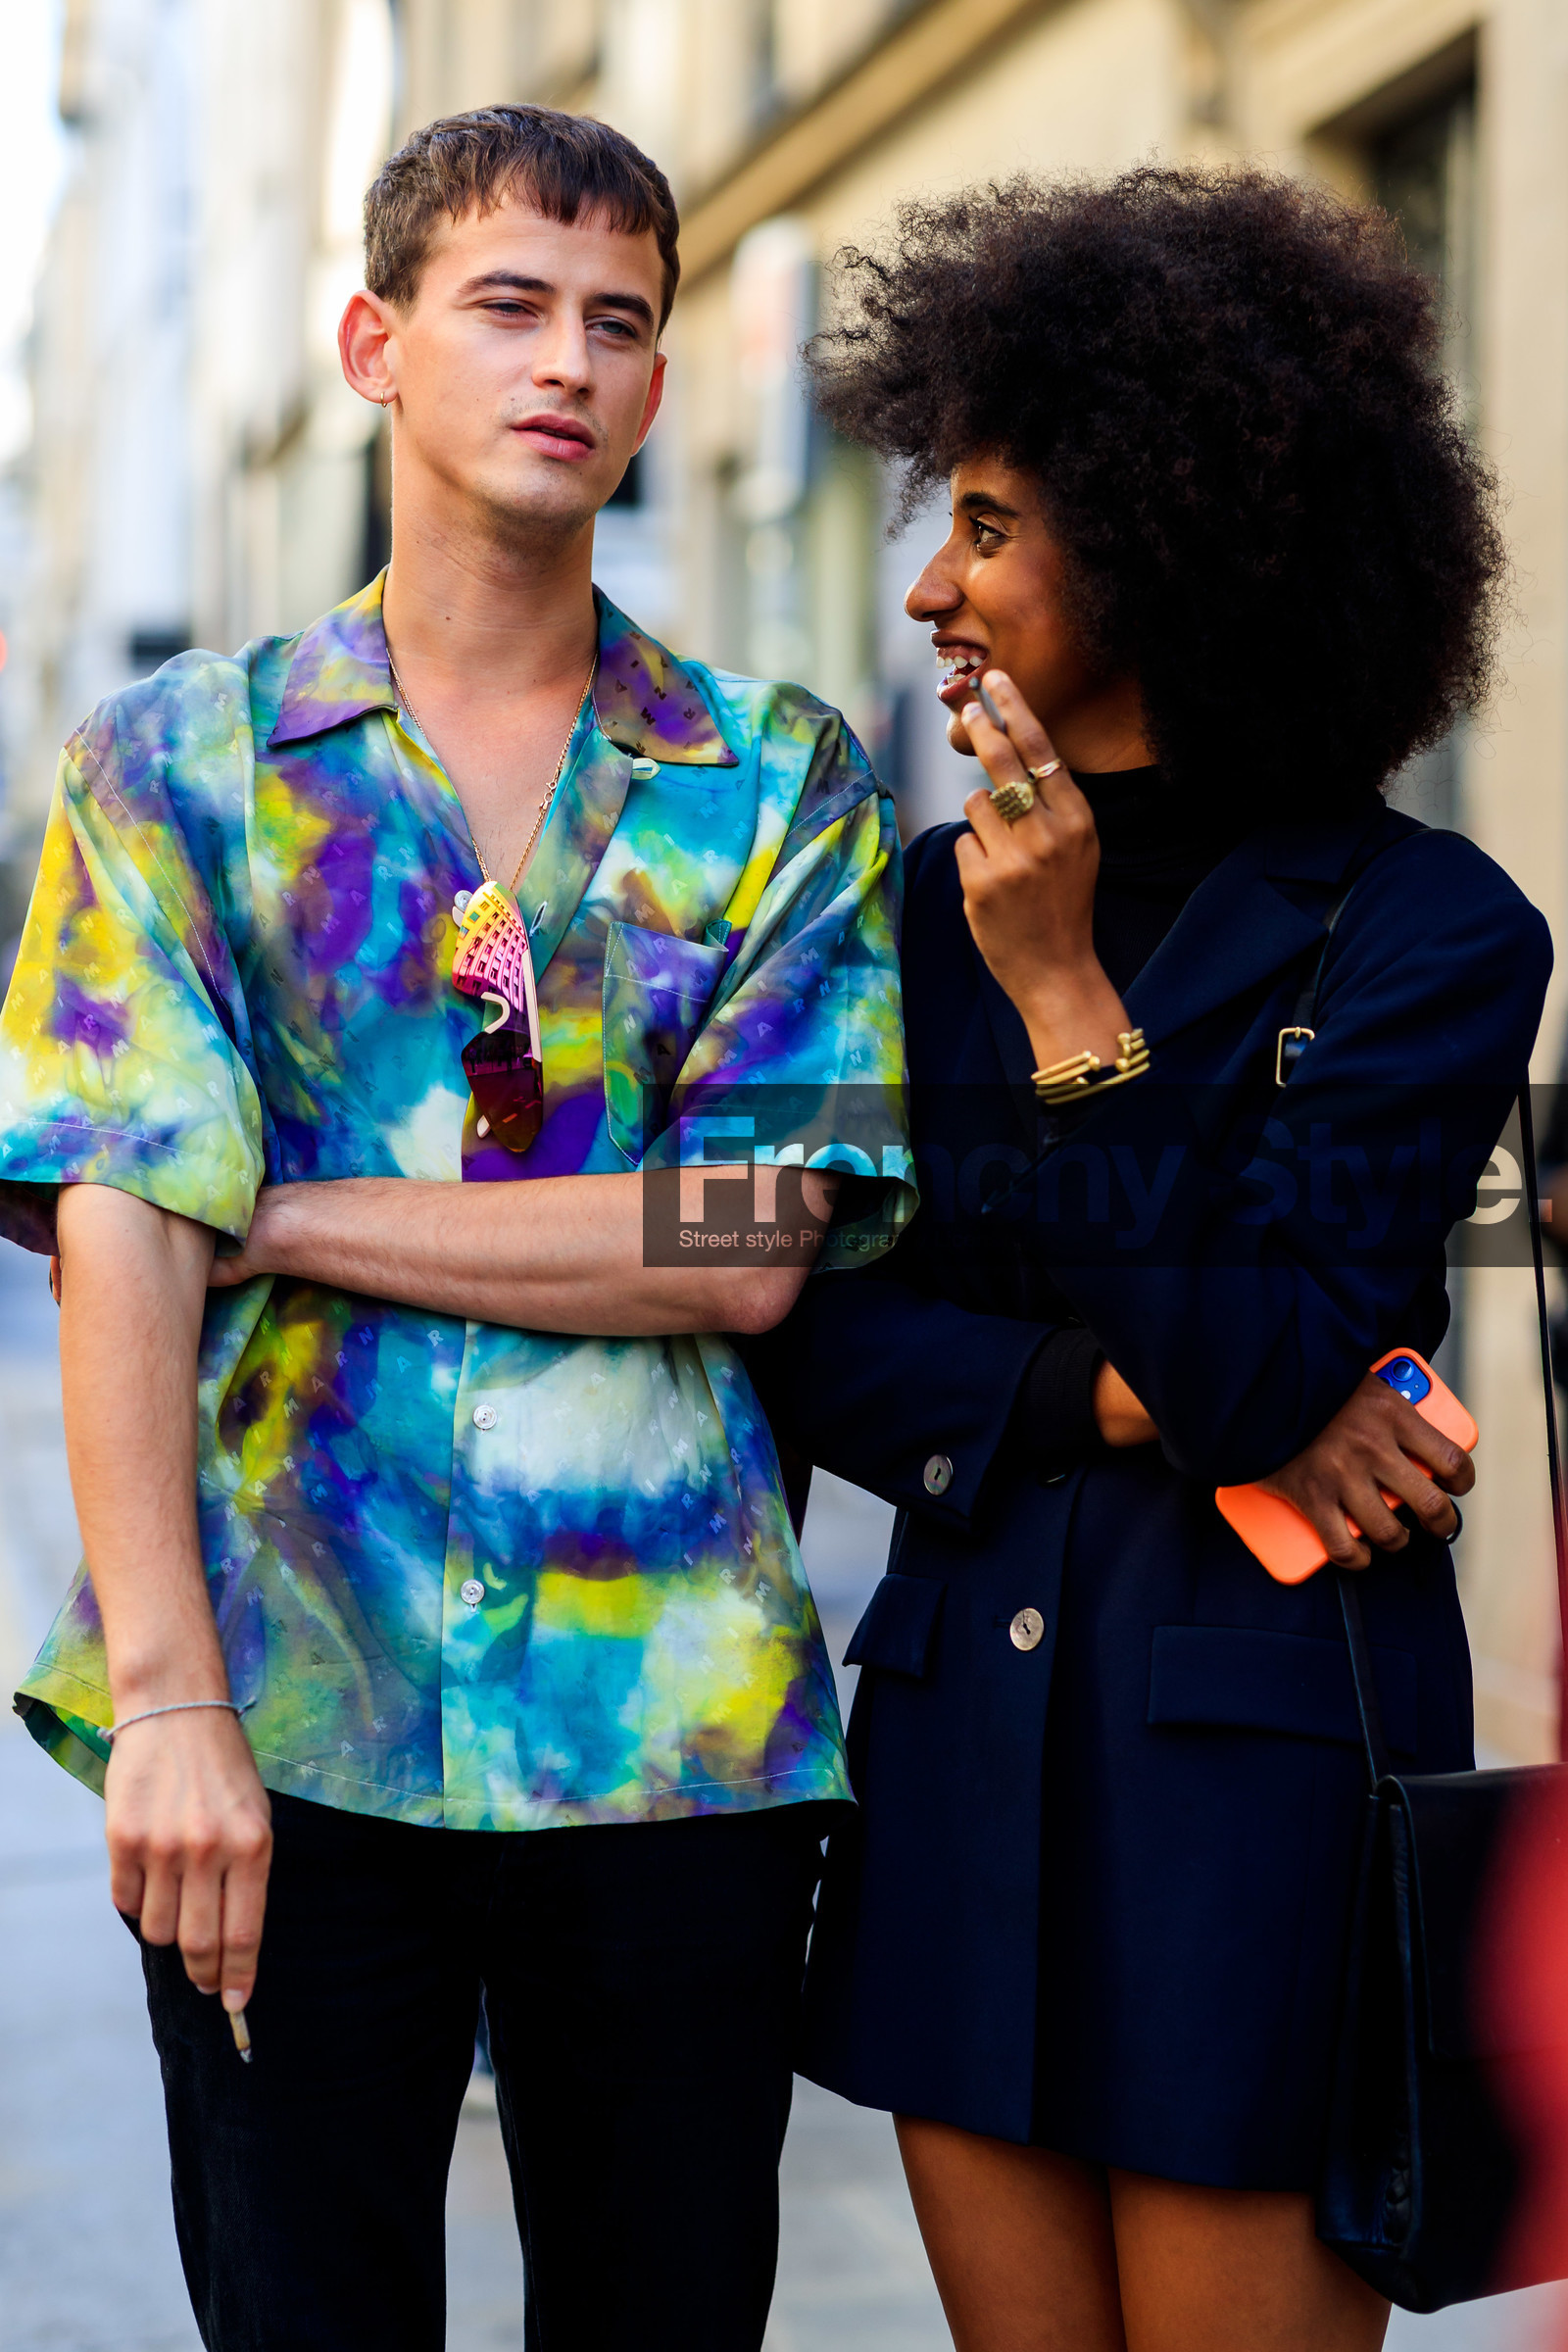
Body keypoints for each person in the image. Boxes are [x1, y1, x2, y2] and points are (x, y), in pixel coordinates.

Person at [0, 106, 910, 2352]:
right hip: (279, 1714)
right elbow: (119, 1215)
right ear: (373, 343)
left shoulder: (776, 776)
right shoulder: (177, 770)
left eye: (619, 323)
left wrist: (284, 1204)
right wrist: (175, 1703)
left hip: (669, 1738)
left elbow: (745, 1239)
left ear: (661, 388)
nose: (567, 363)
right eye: (507, 304)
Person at [752, 168, 1551, 2351]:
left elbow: (1264, 1356)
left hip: (1254, 1793)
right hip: (955, 1779)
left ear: (1175, 536)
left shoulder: (1427, 933)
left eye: (990, 526)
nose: (930, 583)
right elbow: (805, 1334)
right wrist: (1097, 1395)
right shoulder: (890, 914)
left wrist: (1074, 1018)